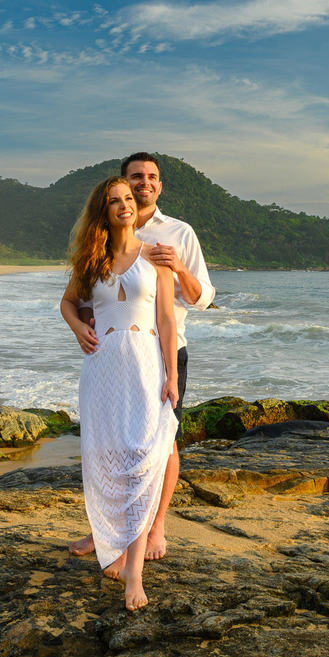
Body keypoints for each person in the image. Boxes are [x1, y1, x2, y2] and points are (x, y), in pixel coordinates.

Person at [69, 152, 215, 562]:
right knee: (112, 440)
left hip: (164, 350)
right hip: (115, 354)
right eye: (136, 177)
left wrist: (179, 268)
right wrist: (84, 324)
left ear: (159, 185)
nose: (143, 183)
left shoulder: (178, 232)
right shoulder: (104, 235)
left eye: (151, 177)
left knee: (161, 439)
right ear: (123, 185)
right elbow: (85, 295)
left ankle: (155, 528)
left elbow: (202, 297)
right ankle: (108, 532)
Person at [60, 176, 179, 611]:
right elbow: (68, 303)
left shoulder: (157, 258)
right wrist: (78, 331)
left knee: (144, 456)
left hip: (146, 364)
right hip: (104, 367)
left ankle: (134, 572)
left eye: (129, 198)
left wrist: (171, 376)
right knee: (109, 458)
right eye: (115, 201)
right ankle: (115, 551)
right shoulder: (92, 260)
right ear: (104, 211)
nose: (124, 205)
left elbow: (166, 320)